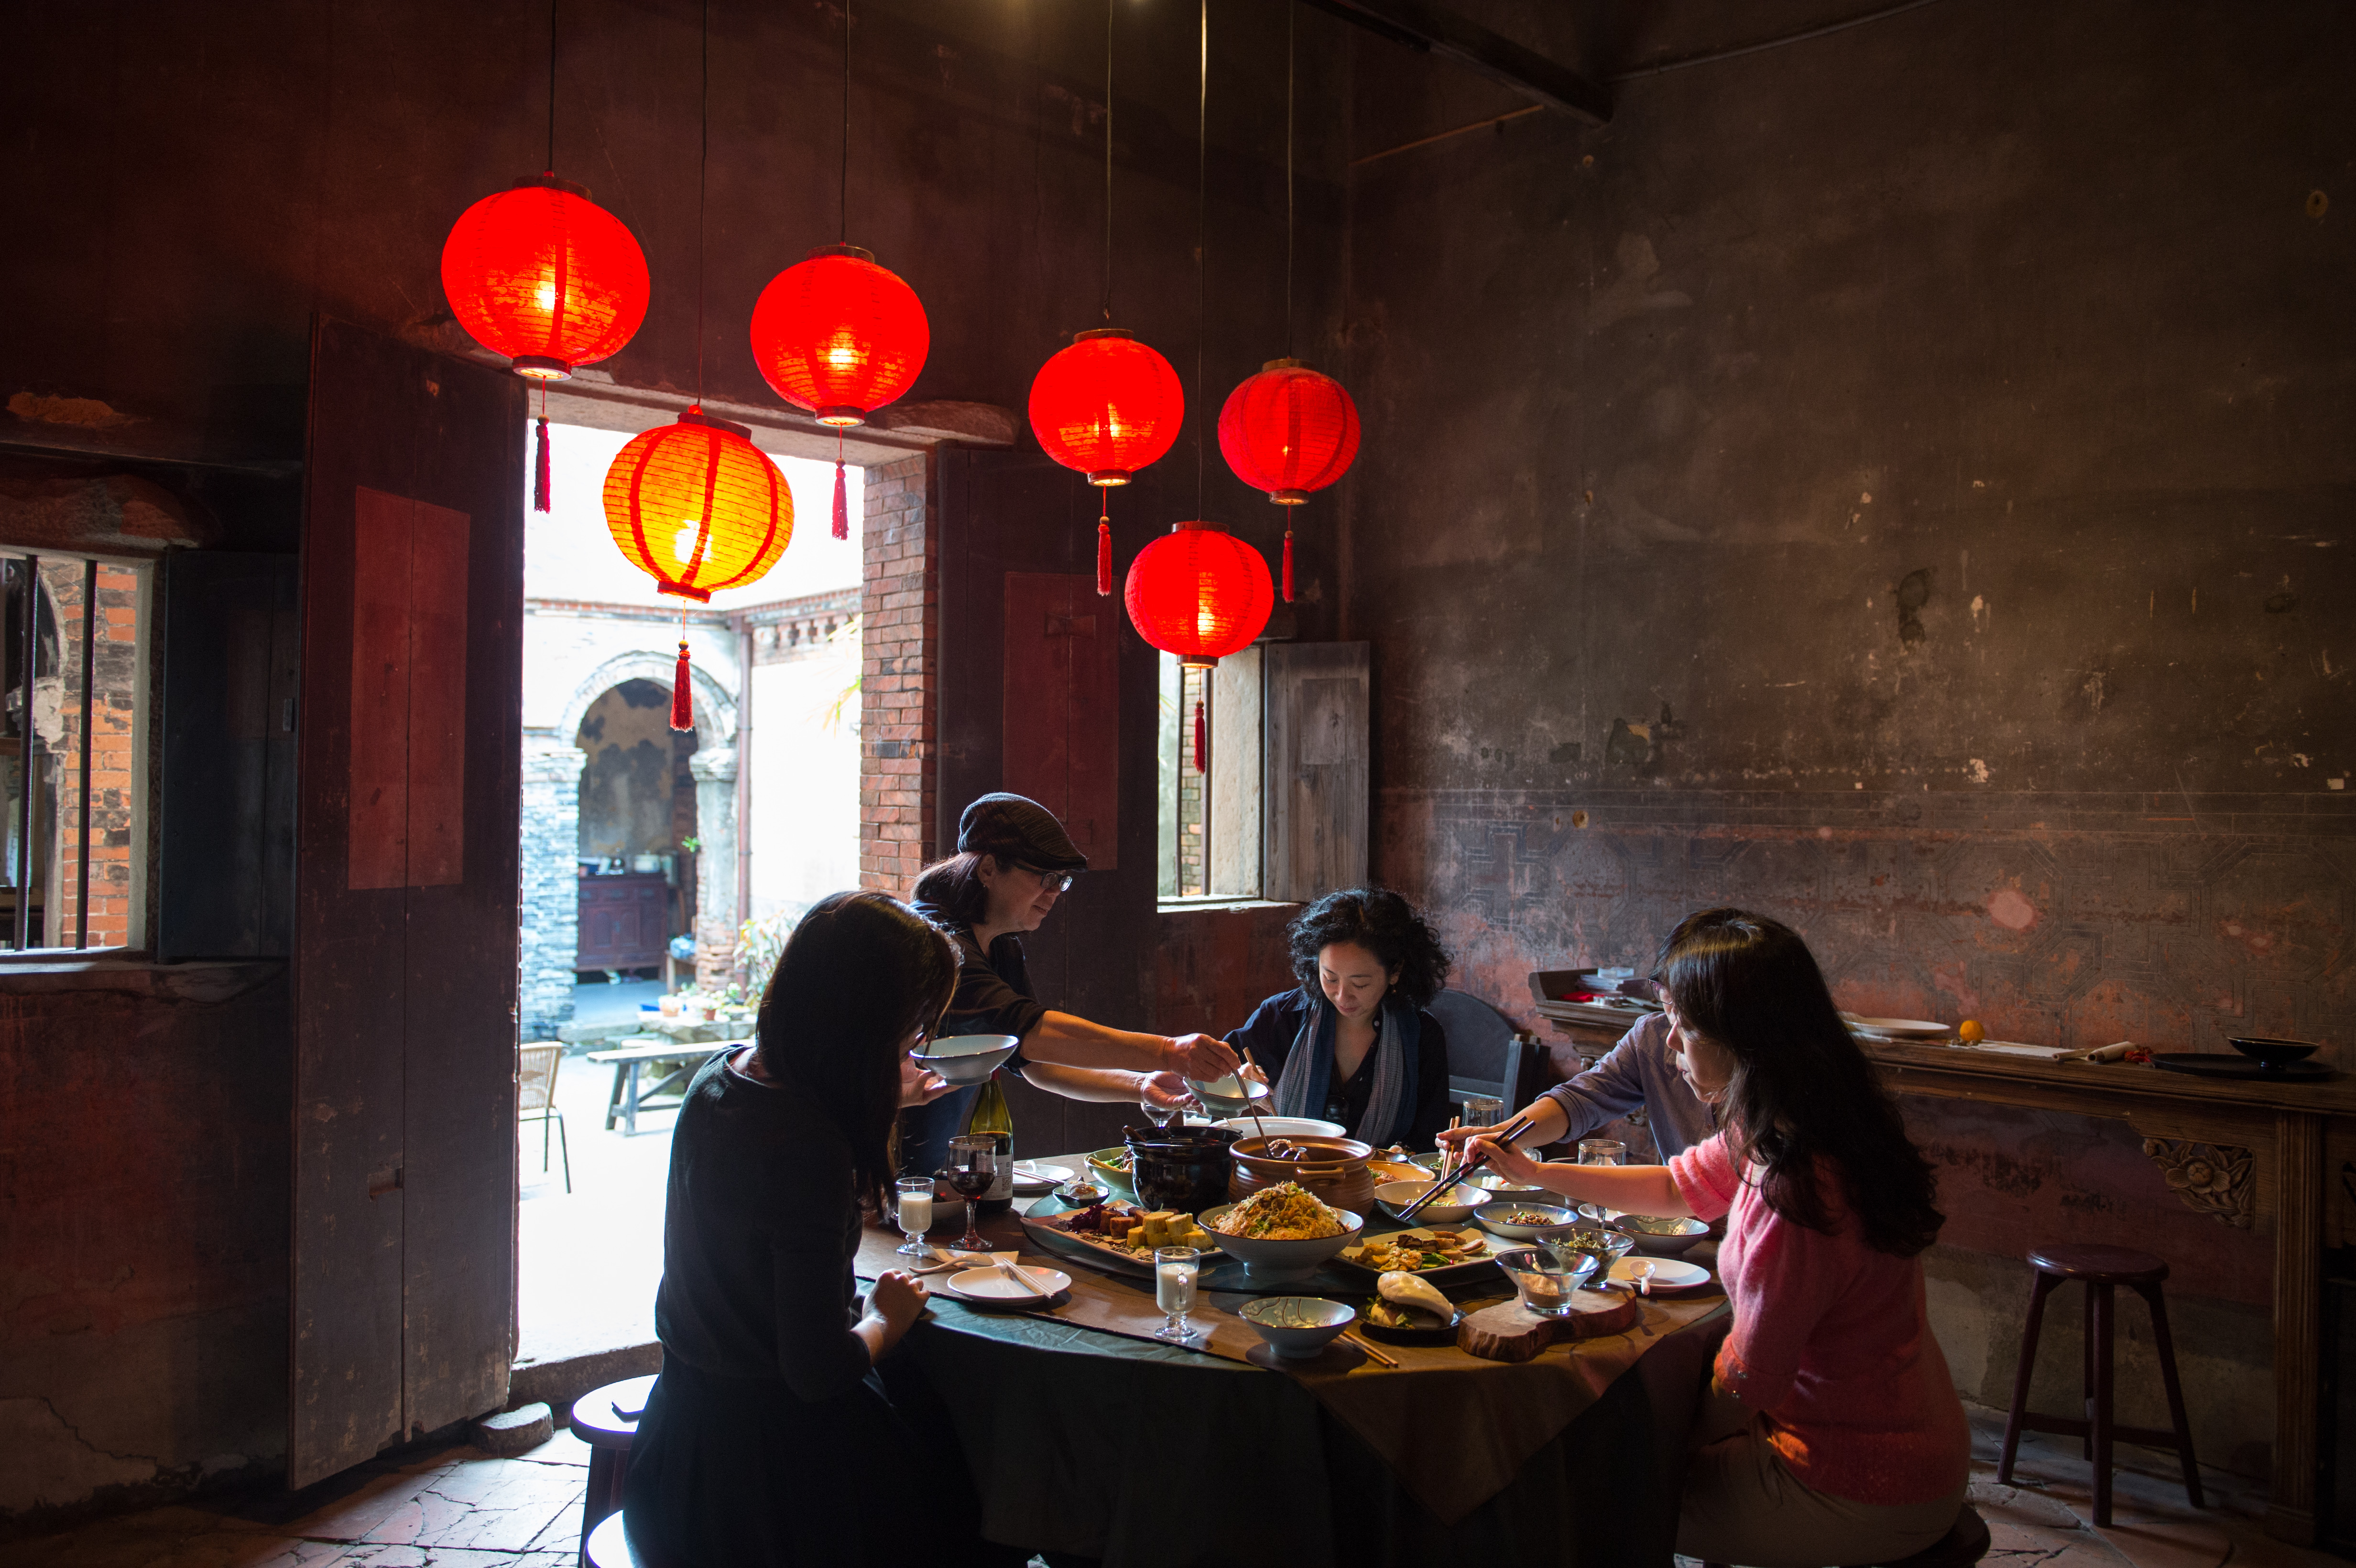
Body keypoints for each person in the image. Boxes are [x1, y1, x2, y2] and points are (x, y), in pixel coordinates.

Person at [1465, 908, 1969, 1568]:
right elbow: (1678, 1187)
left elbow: (1749, 1379)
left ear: (1748, 1039)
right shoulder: (1800, 1121)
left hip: (1856, 1484)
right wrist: (1532, 1172)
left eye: (1687, 1027)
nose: (1671, 1046)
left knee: (1567, 1494)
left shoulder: (1796, 1184)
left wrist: (1665, 1446)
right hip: (1907, 1448)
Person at [621, 890, 1030, 1568]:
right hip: (769, 1488)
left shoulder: (721, 1077)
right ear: (864, 1024)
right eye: (912, 1029)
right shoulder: (808, 1145)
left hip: (678, 1445)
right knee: (981, 1493)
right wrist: (884, 1317)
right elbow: (816, 1372)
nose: (919, 1046)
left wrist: (878, 1095)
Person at [902, 792, 1240, 1175]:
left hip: (918, 1171)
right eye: (1045, 877)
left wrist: (1140, 1085)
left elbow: (1035, 1062)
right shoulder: (937, 940)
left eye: (1061, 882)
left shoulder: (1002, 947)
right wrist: (1167, 1050)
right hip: (867, 1158)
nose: (1053, 894)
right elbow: (1032, 1031)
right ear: (989, 869)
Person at [1436, 947, 1716, 1165]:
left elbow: (1675, 1189)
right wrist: (1504, 1135)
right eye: (1670, 1014)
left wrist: (1537, 1172)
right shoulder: (1653, 1036)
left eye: (1690, 1025)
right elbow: (1581, 1099)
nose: (1672, 1038)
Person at [1222, 888, 1454, 1150]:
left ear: (1396, 972)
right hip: (1286, 1178)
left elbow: (1431, 1142)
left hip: (1382, 1186)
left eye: (1361, 984)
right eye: (1330, 978)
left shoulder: (1422, 1036)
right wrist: (1239, 1082)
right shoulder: (1282, 1016)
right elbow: (1215, 1079)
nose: (1342, 996)